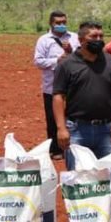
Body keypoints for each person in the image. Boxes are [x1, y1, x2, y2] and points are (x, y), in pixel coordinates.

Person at [53, 21, 111, 172]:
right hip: (77, 130)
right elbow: (58, 97)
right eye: (93, 36)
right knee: (78, 177)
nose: (98, 40)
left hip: (107, 131)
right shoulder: (67, 64)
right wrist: (61, 128)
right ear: (81, 40)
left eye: (101, 36)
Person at [34, 10, 80, 160]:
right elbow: (38, 61)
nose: (61, 25)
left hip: (73, 85)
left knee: (73, 116)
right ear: (51, 23)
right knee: (53, 119)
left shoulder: (74, 37)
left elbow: (83, 56)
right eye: (58, 23)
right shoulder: (44, 40)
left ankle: (74, 148)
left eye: (64, 22)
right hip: (52, 86)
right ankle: (55, 149)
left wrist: (71, 52)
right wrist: (56, 61)